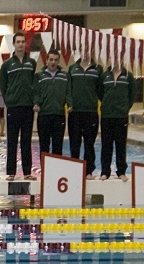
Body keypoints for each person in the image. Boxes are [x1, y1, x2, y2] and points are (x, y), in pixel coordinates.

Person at [0, 32, 37, 180]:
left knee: (26, 140)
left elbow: (34, 84)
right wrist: (9, 101)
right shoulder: (7, 65)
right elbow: (3, 86)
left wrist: (34, 101)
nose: (21, 44)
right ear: (14, 44)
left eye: (23, 41)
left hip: (28, 106)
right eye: (18, 42)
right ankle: (11, 172)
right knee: (12, 140)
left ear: (25, 44)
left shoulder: (32, 63)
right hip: (13, 107)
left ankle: (27, 172)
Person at [68, 49, 103, 179]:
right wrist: (70, 103)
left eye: (88, 50)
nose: (86, 53)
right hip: (75, 112)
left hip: (91, 112)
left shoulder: (98, 69)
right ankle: (74, 170)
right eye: (83, 50)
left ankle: (88, 171)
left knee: (89, 144)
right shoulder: (72, 68)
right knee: (74, 144)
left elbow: (101, 90)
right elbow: (68, 89)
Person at [99, 59, 136, 182]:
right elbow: (100, 92)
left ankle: (121, 171)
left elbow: (132, 95)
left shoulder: (128, 76)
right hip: (106, 115)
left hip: (121, 116)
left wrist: (125, 108)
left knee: (121, 145)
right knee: (106, 145)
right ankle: (105, 172)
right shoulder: (104, 76)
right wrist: (106, 105)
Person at [33, 49, 71, 158]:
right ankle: (44, 169)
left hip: (59, 115)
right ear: (46, 60)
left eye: (55, 60)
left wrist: (70, 104)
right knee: (44, 147)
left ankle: (57, 169)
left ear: (58, 61)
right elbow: (36, 93)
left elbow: (68, 92)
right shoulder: (39, 76)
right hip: (44, 115)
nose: (53, 62)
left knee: (58, 147)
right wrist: (36, 103)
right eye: (51, 59)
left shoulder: (65, 76)